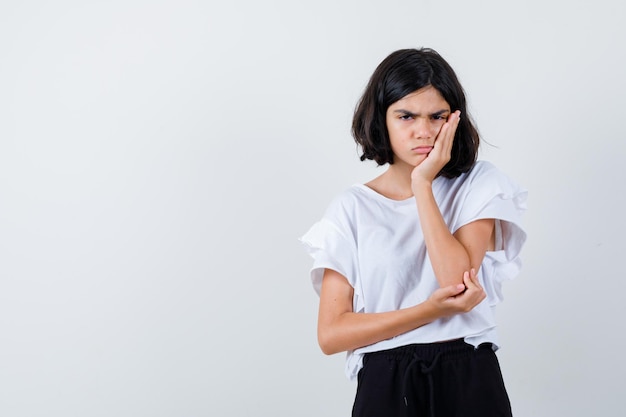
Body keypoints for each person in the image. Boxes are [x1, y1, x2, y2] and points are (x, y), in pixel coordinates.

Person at [300, 48, 527, 417]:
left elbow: (457, 280)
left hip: (466, 368)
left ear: (454, 119)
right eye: (406, 116)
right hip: (385, 380)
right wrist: (426, 311)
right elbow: (331, 334)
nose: (423, 132)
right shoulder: (352, 207)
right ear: (382, 120)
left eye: (437, 116)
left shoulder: (478, 185)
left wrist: (423, 184)